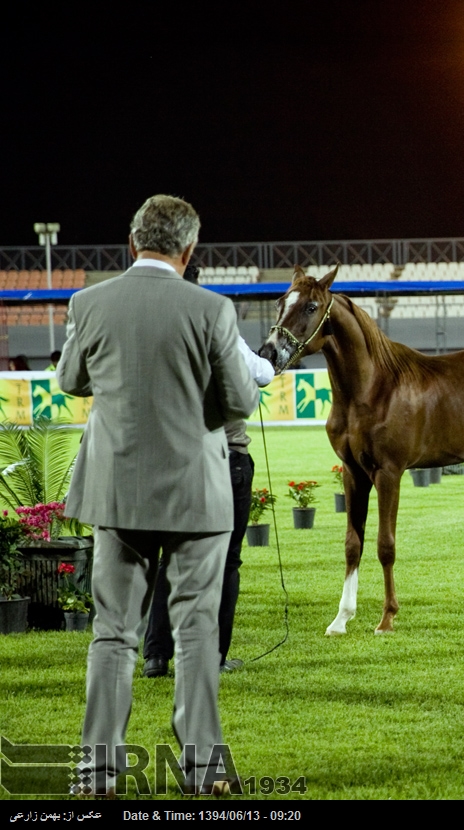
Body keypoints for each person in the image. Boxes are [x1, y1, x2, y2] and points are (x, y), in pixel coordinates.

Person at [60, 195, 259, 796]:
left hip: (117, 493)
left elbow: (70, 379)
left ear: (132, 243)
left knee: (112, 634)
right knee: (196, 633)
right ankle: (202, 770)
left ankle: (98, 771)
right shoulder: (212, 309)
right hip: (197, 494)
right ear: (189, 250)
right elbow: (241, 401)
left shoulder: (88, 303)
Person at [142, 263, 275, 678]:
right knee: (227, 561)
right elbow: (263, 374)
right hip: (225, 457)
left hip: (171, 458)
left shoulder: (149, 329)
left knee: (169, 558)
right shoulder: (215, 321)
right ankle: (212, 657)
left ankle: (156, 655)